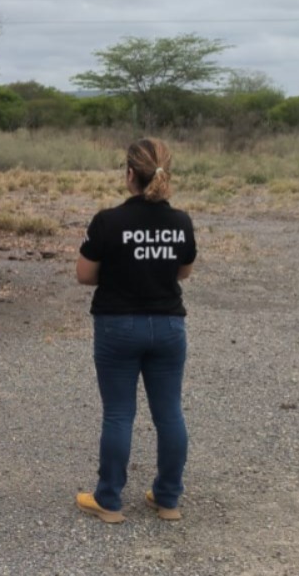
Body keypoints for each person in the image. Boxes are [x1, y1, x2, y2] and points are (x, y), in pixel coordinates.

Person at [75, 137, 196, 523]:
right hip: (168, 326)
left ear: (129, 174)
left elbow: (84, 274)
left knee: (118, 414)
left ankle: (109, 501)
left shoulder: (108, 221)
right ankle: (168, 499)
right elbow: (183, 271)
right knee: (169, 414)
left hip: (118, 326)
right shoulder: (181, 222)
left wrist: (121, 271)